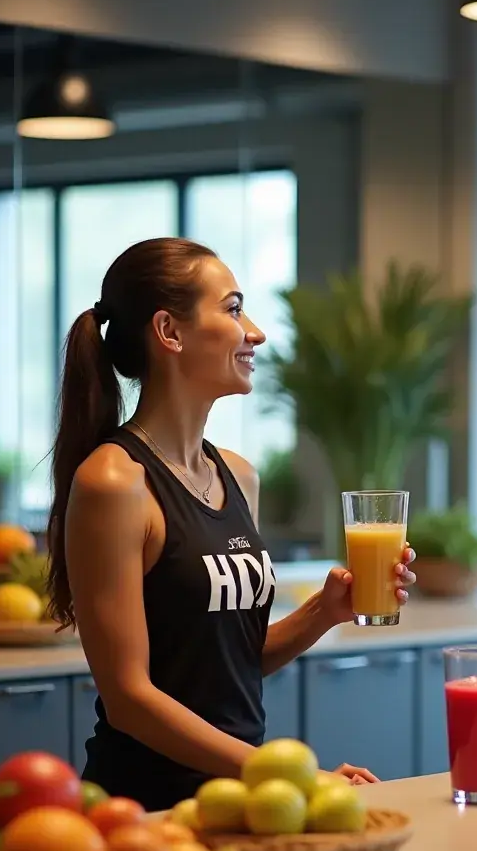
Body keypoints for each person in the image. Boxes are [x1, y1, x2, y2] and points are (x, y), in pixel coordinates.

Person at [46, 237, 416, 811]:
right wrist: (293, 777)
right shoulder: (114, 483)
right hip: (147, 809)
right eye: (235, 308)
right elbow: (130, 698)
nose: (257, 333)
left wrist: (326, 610)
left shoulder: (238, 476)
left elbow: (226, 662)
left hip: (236, 801)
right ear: (170, 332)